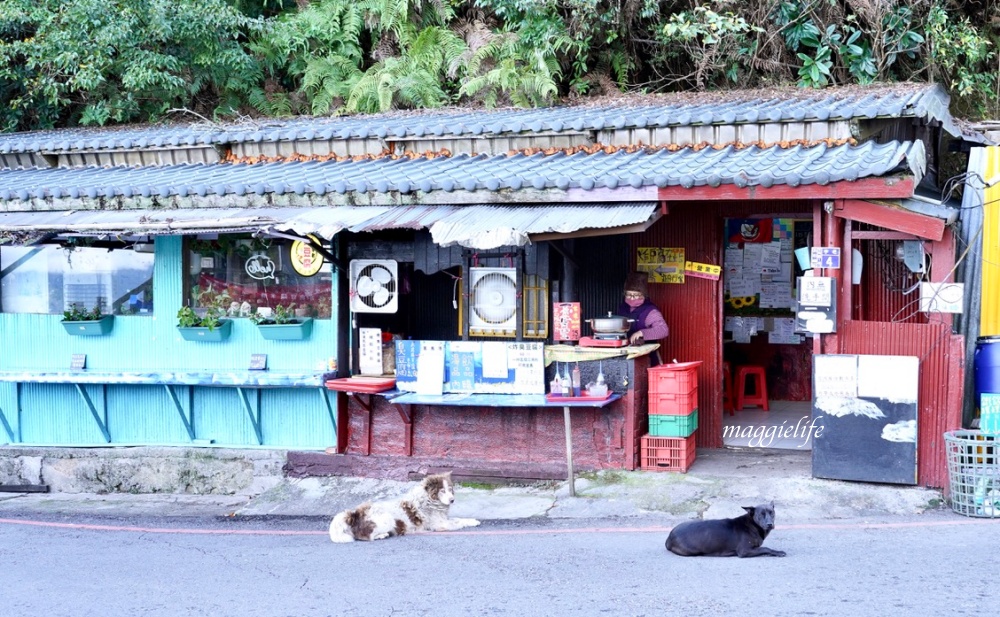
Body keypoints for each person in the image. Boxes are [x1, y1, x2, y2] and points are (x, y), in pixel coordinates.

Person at [617, 271, 669, 365]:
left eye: (636, 295)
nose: (632, 298)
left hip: (645, 358)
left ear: (643, 295)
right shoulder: (623, 308)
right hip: (624, 355)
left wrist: (641, 333)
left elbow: (663, 330)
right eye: (629, 294)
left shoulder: (650, 311)